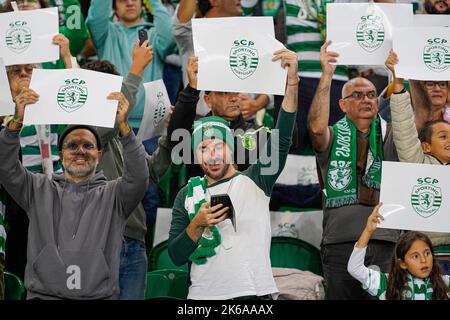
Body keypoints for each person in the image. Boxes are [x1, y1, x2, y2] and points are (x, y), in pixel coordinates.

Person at [168, 48, 298, 300]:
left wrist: (291, 83)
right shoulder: (186, 194)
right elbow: (176, 255)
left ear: (232, 147)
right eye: (204, 148)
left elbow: (283, 136)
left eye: (219, 146)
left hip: (252, 293)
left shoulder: (257, 179)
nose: (213, 154)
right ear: (195, 155)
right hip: (201, 297)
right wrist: (197, 224)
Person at [0, 87, 149, 299]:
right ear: (61, 155)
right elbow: (5, 166)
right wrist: (15, 123)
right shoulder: (37, 188)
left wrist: (125, 128)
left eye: (88, 145)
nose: (80, 151)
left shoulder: (114, 194)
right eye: (72, 145)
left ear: (99, 155)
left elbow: (139, 177)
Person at [307, 40, 400, 300]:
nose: (366, 100)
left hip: (385, 242)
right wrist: (326, 74)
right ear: (342, 105)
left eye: (371, 94)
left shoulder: (392, 134)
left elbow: (418, 119)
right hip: (340, 243)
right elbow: (315, 129)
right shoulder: (333, 135)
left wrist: (399, 74)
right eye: (357, 95)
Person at [82, 42, 172, 299]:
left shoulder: (124, 134)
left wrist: (168, 133)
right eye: (108, 93)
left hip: (133, 241)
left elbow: (151, 171)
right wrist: (136, 69)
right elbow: (104, 128)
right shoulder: (81, 134)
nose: (115, 100)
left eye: (115, 92)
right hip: (97, 242)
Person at [384, 49, 450, 272]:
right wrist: (399, 82)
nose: (449, 141)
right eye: (443, 136)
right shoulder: (418, 163)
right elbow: (403, 128)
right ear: (426, 146)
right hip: (424, 256)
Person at [168, 55, 272, 181]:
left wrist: (291, 86)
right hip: (201, 199)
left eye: (236, 91)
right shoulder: (196, 133)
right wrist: (192, 89)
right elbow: (175, 139)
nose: (233, 98)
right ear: (208, 100)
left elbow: (289, 140)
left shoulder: (256, 132)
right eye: (224, 93)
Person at [173, 0, 271, 119]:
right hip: (203, 125)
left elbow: (270, 78)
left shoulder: (251, 32)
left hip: (245, 125)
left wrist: (257, 104)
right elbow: (181, 24)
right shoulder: (193, 33)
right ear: (214, 1)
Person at [87, 0, 175, 130]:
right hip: (112, 121)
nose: (129, 3)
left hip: (150, 125)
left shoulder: (153, 34)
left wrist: (154, 2)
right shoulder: (106, 34)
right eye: (122, 0)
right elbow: (95, 18)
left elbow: (170, 36)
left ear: (142, 3)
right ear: (114, 7)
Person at [348, 203, 450, 300]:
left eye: (427, 253)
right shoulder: (386, 283)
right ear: (403, 264)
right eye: (415, 256)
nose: (423, 260)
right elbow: (355, 268)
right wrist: (368, 231)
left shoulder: (443, 283)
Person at [5, 0, 89, 70]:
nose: (25, 5)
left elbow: (77, 35)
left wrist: (70, 2)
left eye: (31, 1)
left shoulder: (58, 35)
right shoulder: (3, 38)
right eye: (19, 2)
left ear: (42, 6)